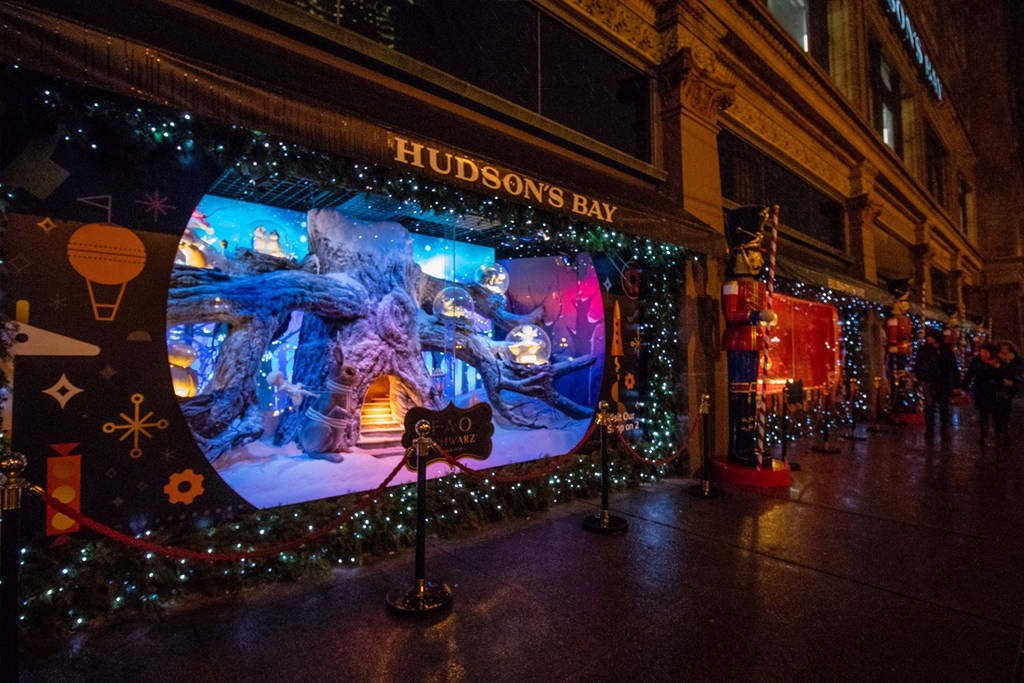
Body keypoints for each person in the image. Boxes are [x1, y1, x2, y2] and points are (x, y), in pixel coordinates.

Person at [913, 328, 960, 437]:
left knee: (943, 406)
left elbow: (952, 367)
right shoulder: (924, 350)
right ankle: (930, 430)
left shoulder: (945, 350)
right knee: (930, 406)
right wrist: (920, 375)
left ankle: (944, 429)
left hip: (942, 381)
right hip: (929, 380)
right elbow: (918, 363)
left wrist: (956, 383)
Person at [960, 343, 1002, 444]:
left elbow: (1000, 376)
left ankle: (998, 433)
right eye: (982, 352)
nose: (983, 354)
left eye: (985, 352)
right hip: (981, 390)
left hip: (993, 390)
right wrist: (962, 386)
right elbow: (970, 374)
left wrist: (995, 368)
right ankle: (984, 435)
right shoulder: (976, 361)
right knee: (983, 413)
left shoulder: (996, 362)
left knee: (996, 414)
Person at [994, 340, 1022, 441]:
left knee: (1007, 409)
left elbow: (1017, 374)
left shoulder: (1016, 361)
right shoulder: (997, 361)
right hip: (998, 389)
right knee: (997, 410)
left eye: (1006, 350)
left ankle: (1005, 429)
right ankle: (999, 430)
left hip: (1010, 390)